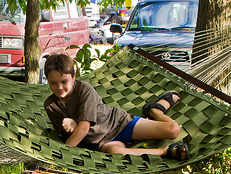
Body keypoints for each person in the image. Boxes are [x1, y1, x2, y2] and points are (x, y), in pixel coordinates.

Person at [43, 53, 189, 160]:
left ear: (73, 77)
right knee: (116, 153)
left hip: (119, 123)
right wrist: (72, 128)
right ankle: (166, 151)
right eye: (53, 83)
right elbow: (68, 134)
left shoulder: (84, 89)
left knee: (173, 130)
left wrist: (63, 154)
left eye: (64, 82)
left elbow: (84, 127)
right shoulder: (50, 106)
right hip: (101, 142)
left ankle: (155, 110)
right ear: (47, 81)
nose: (59, 87)